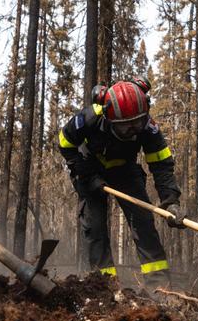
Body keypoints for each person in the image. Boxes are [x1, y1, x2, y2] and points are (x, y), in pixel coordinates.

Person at [58, 79, 183, 282]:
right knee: (94, 227)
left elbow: (161, 164)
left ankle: (159, 282)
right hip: (90, 168)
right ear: (109, 118)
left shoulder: (148, 127)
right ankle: (105, 284)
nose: (133, 129)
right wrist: (89, 177)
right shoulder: (89, 118)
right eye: (126, 126)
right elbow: (65, 144)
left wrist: (171, 201)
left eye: (138, 123)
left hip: (125, 169)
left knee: (143, 221)